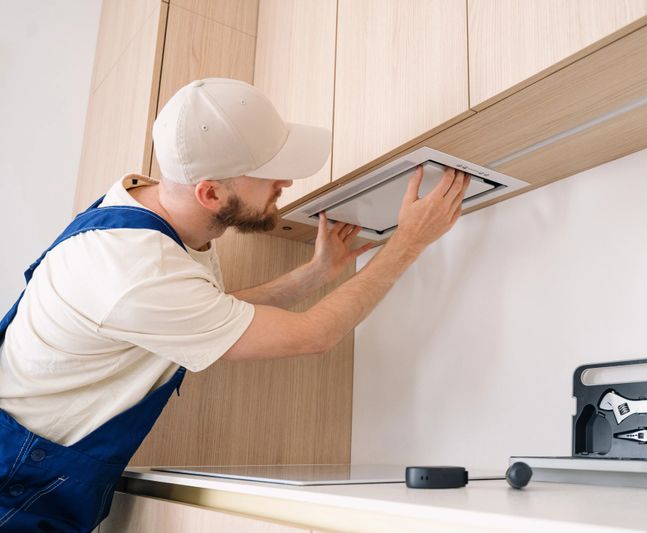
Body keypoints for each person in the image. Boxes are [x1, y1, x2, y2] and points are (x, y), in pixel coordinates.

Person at [0, 78, 468, 532]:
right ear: (211, 193)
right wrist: (409, 242)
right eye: (268, 173)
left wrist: (315, 274)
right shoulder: (136, 268)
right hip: (18, 485)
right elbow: (313, 336)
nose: (285, 179)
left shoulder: (151, 210)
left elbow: (204, 314)